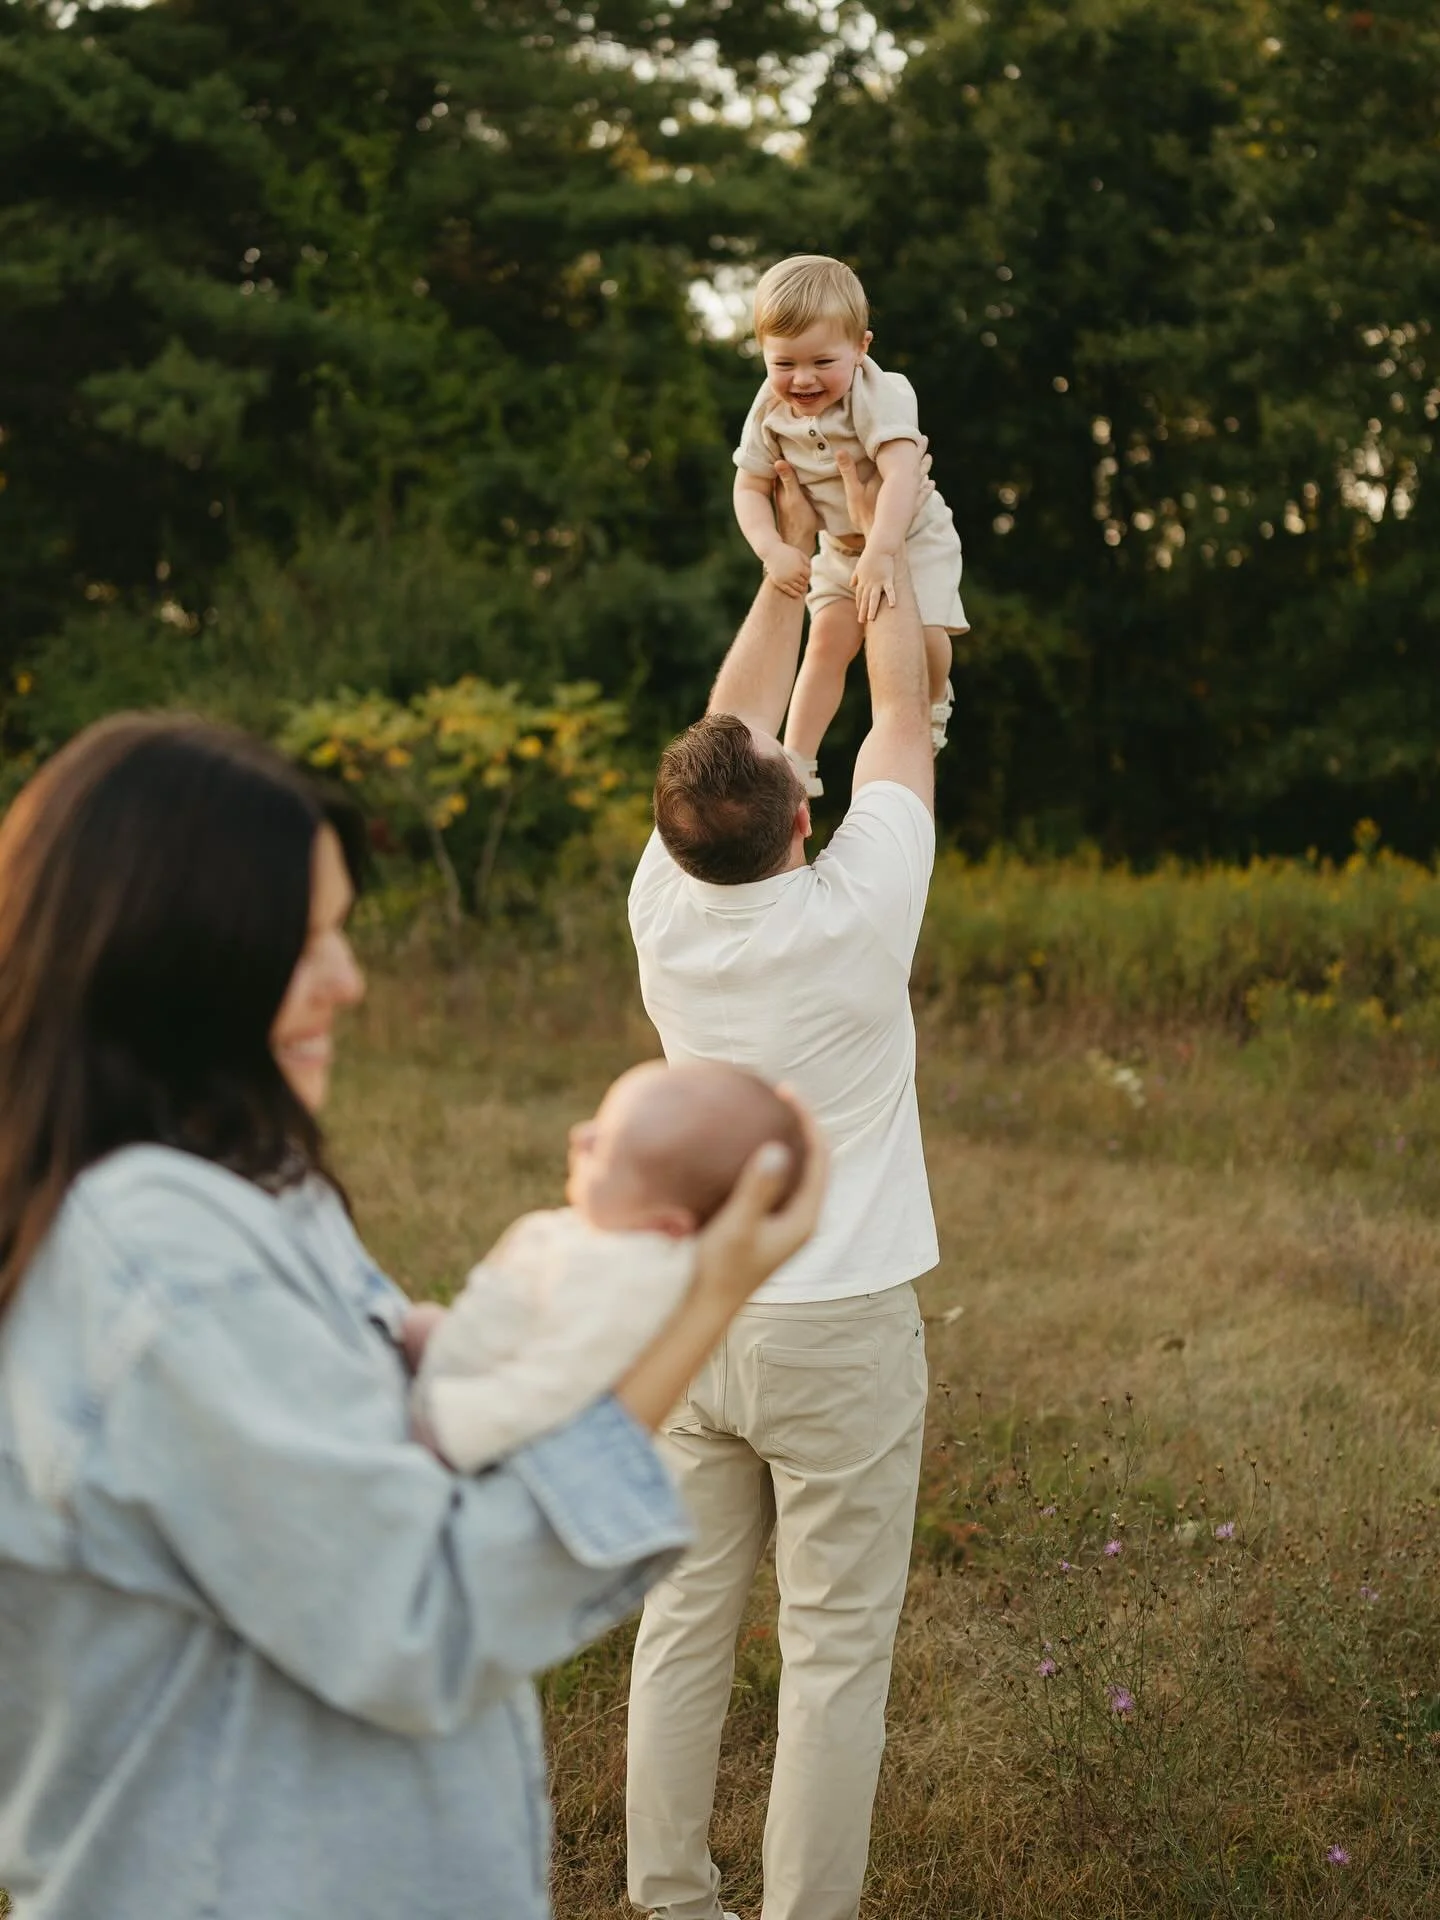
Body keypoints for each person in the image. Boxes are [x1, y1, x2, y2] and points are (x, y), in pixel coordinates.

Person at [0, 715, 826, 1920]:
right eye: (308, 942)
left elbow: (421, 1449)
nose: (350, 980)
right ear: (178, 960)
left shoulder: (250, 1192)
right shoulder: (157, 1256)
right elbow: (423, 1612)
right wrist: (701, 1299)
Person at [625, 450, 939, 1920]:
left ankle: (669, 1898)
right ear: (796, 817)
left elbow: (750, 722)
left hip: (695, 1315)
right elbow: (904, 712)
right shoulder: (861, 902)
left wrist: (791, 567)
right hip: (839, 1322)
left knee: (681, 1617)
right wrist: (892, 519)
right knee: (831, 1651)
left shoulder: (662, 905)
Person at [408, 1060, 806, 1472]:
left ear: (665, 1224)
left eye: (601, 1148)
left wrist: (446, 1428)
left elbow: (554, 1385)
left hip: (469, 1421)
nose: (579, 1136)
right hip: (468, 1361)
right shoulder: (610, 1232)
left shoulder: (625, 1284)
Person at [730, 252, 967, 796]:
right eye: (784, 363)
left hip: (910, 535)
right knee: (827, 643)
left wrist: (884, 550)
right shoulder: (768, 408)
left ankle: (932, 701)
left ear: (862, 347)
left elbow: (901, 472)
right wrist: (772, 547)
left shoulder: (880, 392)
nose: (803, 379)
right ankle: (797, 760)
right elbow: (748, 485)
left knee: (926, 633)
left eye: (821, 361)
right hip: (838, 547)